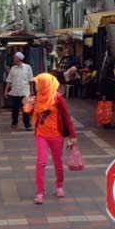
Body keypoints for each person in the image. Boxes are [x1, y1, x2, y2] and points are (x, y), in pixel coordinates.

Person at [27, 73, 76, 204]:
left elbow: (67, 117)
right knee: (41, 162)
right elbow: (33, 113)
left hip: (56, 135)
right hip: (41, 135)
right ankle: (40, 192)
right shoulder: (37, 97)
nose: (36, 86)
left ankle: (59, 186)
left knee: (58, 162)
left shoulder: (57, 98)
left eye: (38, 84)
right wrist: (27, 106)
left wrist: (73, 136)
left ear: (45, 84)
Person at [5, 52, 34, 130]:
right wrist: (6, 91)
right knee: (15, 109)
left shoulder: (28, 67)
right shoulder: (13, 68)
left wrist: (31, 90)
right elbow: (9, 80)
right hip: (15, 92)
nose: (13, 59)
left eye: (15, 57)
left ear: (19, 59)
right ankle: (14, 122)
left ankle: (27, 125)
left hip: (25, 92)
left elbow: (31, 80)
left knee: (26, 109)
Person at [99, 57, 115, 129]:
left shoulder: (105, 72)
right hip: (109, 93)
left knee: (107, 108)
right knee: (109, 108)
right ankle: (107, 123)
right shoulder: (110, 73)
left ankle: (106, 122)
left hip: (107, 93)